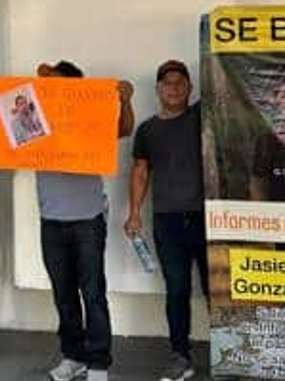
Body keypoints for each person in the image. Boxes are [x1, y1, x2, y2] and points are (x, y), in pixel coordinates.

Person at [36, 61, 134, 381]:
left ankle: (99, 362)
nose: (58, 90)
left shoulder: (92, 117)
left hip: (87, 220)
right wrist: (5, 102)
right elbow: (13, 133)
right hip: (51, 220)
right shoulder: (39, 119)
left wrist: (125, 100)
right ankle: (73, 356)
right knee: (63, 294)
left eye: (66, 86)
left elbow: (123, 129)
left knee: (92, 292)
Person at [124, 60, 208, 381]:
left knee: (216, 290)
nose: (173, 87)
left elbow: (224, 83)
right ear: (158, 89)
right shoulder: (147, 130)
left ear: (190, 88)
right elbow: (140, 172)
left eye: (179, 82)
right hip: (167, 223)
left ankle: (232, 353)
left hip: (207, 219)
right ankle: (180, 357)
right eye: (167, 83)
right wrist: (133, 213)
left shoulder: (202, 116)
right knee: (176, 291)